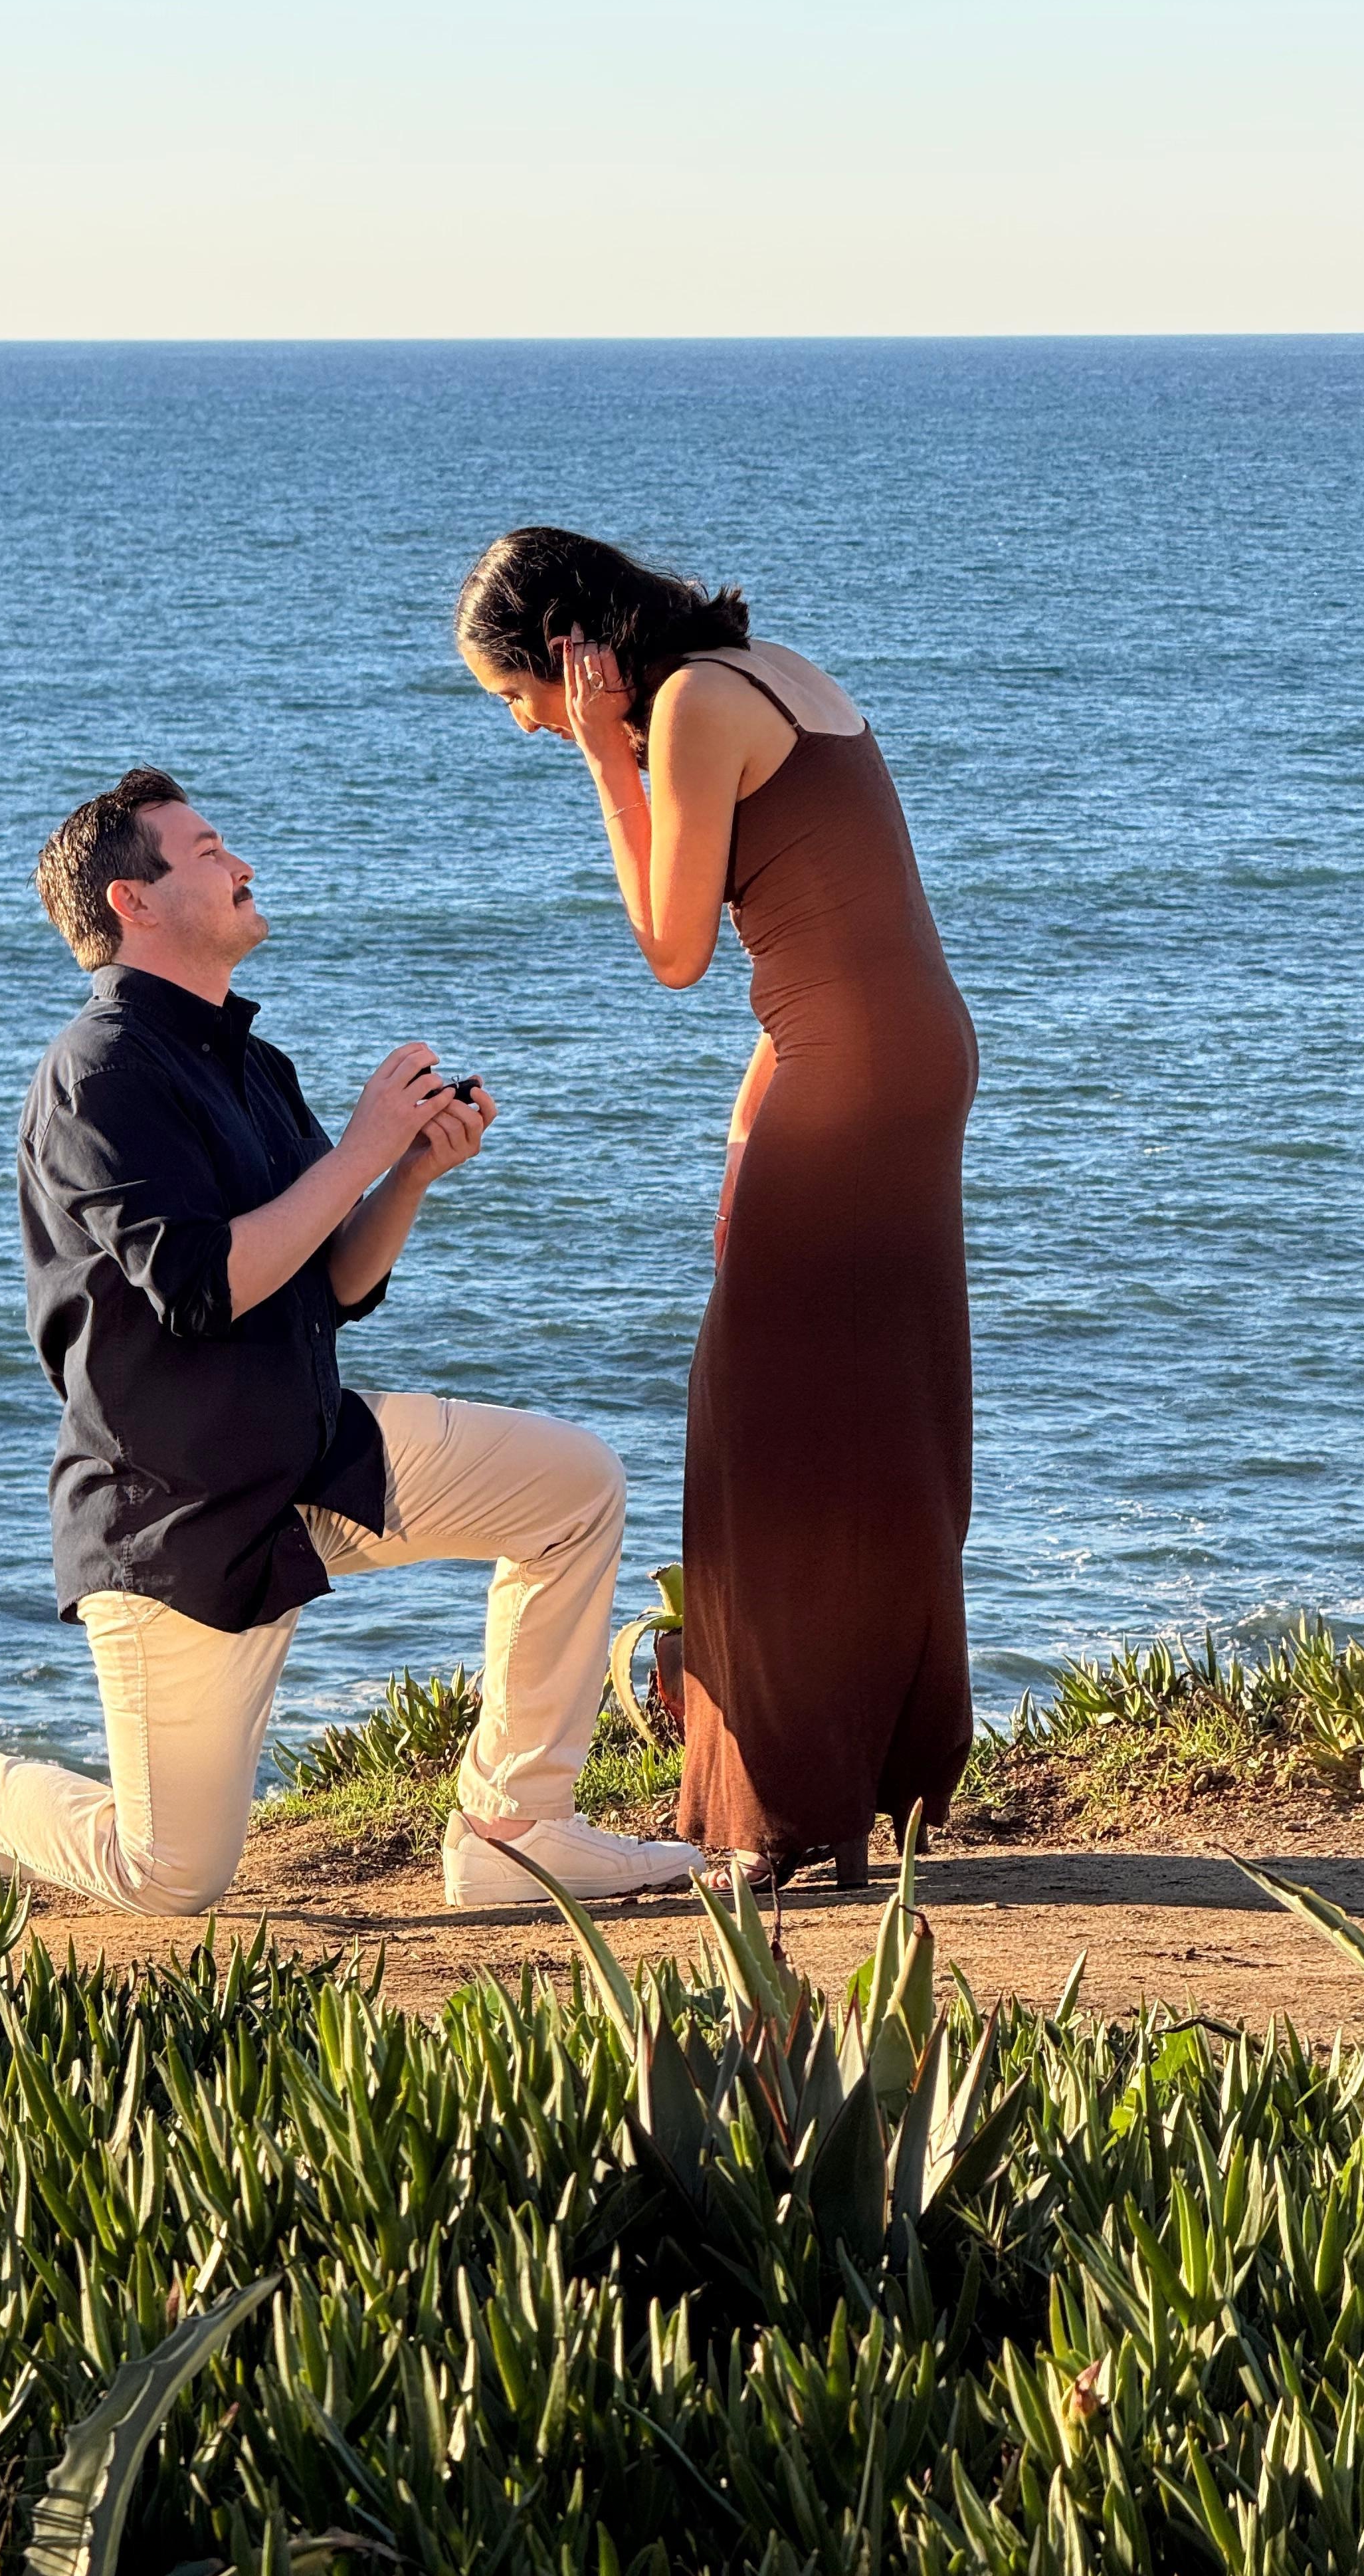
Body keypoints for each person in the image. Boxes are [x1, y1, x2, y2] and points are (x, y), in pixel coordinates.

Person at [0, 765, 702, 1916]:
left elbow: (330, 1284)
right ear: (133, 902)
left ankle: (512, 1830)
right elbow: (200, 1290)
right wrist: (363, 1148)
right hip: (178, 1513)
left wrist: (408, 1174)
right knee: (170, 1874)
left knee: (572, 1489)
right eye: (209, 852)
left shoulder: (249, 1062)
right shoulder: (97, 1074)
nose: (241, 867)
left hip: (315, 1454)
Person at [456, 530, 977, 1888]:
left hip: (850, 1079)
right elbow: (825, 933)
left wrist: (604, 758)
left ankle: (788, 1810)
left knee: (758, 1444)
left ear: (569, 655)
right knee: (874, 1425)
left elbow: (675, 949)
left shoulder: (690, 707)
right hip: (906, 1058)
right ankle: (870, 1782)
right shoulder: (778, 672)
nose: (523, 723)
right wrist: (749, 1134)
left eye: (516, 695)